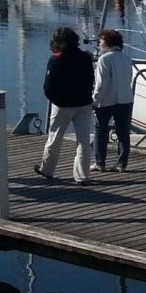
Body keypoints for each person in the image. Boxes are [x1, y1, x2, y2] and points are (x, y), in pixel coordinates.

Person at [37, 26, 96, 184]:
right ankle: (82, 175)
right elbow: (91, 79)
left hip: (63, 104)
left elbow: (48, 87)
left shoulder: (56, 59)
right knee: (83, 141)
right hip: (84, 103)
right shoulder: (85, 57)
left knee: (55, 138)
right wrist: (87, 95)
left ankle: (47, 169)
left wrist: (56, 99)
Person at [93, 29, 134, 172]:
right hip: (125, 99)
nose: (99, 44)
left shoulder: (104, 59)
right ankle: (122, 164)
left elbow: (101, 84)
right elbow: (129, 78)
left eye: (101, 41)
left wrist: (95, 101)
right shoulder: (126, 58)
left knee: (100, 130)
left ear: (108, 43)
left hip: (106, 100)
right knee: (124, 132)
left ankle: (100, 162)